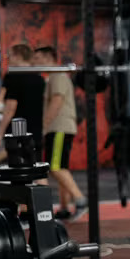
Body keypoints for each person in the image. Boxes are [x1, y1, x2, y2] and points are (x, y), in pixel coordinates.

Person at [33, 47, 88, 220]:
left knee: (55, 167)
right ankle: (64, 207)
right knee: (60, 166)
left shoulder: (57, 75)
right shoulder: (53, 77)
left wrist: (43, 126)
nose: (35, 62)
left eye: (39, 58)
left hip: (58, 128)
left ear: (50, 57)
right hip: (59, 128)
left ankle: (80, 200)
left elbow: (57, 102)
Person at [0, 43, 45, 163]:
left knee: (15, 168)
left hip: (16, 130)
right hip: (35, 130)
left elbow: (11, 107)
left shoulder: (13, 76)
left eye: (9, 56)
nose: (8, 59)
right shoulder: (38, 77)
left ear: (18, 56)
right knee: (37, 168)